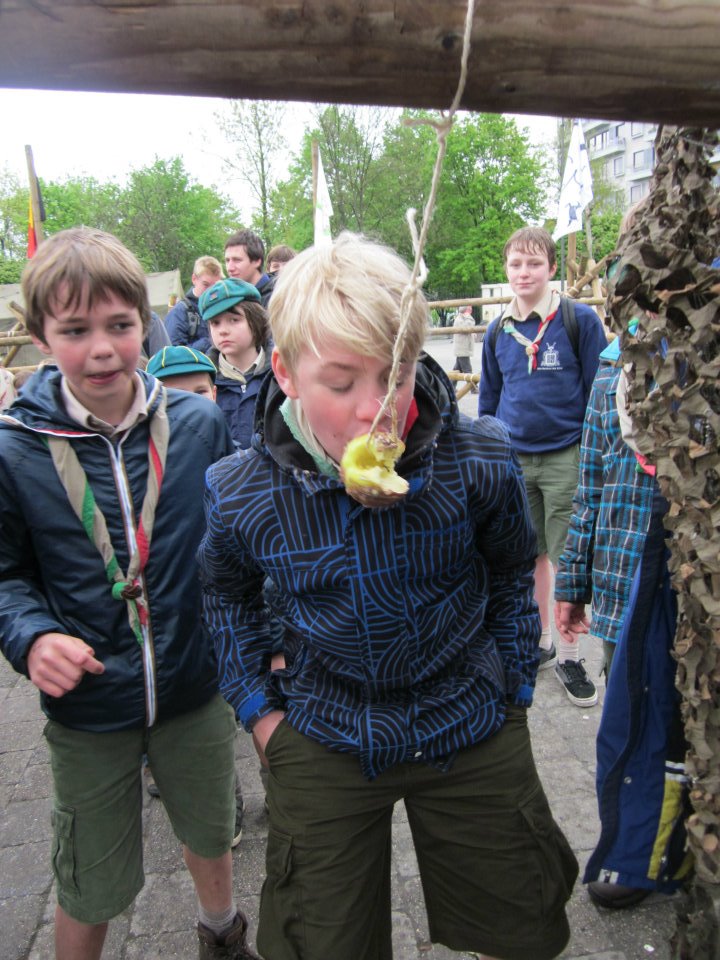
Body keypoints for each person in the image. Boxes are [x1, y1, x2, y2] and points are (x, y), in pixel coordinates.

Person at [198, 232, 578, 960]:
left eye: (396, 375)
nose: (377, 410)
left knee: (521, 919)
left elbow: (508, 569)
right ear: (284, 373)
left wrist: (511, 681)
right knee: (318, 936)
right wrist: (259, 712)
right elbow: (224, 599)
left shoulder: (480, 457)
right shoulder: (241, 491)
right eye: (341, 384)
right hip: (324, 725)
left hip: (468, 711)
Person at [0, 227, 259, 960]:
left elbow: (236, 546)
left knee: (211, 830)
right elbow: (6, 574)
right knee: (89, 878)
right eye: (75, 330)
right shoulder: (15, 446)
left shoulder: (200, 423)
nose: (104, 348)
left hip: (192, 685)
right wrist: (30, 636)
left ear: (145, 324)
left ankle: (221, 933)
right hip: (89, 705)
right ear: (43, 335)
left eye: (120, 325)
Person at [479, 226, 607, 708]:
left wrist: (594, 456)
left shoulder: (578, 321)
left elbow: (598, 393)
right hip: (514, 459)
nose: (523, 272)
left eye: (534, 263)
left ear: (552, 268)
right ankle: (543, 643)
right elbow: (489, 400)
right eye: (515, 264)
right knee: (528, 554)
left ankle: (573, 655)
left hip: (565, 455)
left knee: (566, 555)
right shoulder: (498, 330)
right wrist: (491, 453)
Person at [199, 277, 272, 450]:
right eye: (215, 323)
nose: (223, 330)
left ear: (256, 320)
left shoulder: (281, 374)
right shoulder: (203, 382)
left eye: (234, 319)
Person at [164, 255, 224, 352]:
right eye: (206, 284)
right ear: (194, 279)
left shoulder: (222, 310)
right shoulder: (179, 312)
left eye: (215, 286)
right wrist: (209, 341)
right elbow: (173, 354)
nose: (210, 290)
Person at [224, 229, 275, 306]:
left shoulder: (277, 298)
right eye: (227, 261)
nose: (230, 268)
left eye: (237, 260)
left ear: (257, 261)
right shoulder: (228, 298)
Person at [452, 304, 477, 392]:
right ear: (465, 310)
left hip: (462, 348)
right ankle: (473, 388)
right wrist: (468, 316)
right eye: (469, 308)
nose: (471, 310)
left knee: (457, 370)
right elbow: (468, 327)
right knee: (467, 369)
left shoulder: (461, 318)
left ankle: (451, 387)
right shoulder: (462, 319)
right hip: (462, 349)